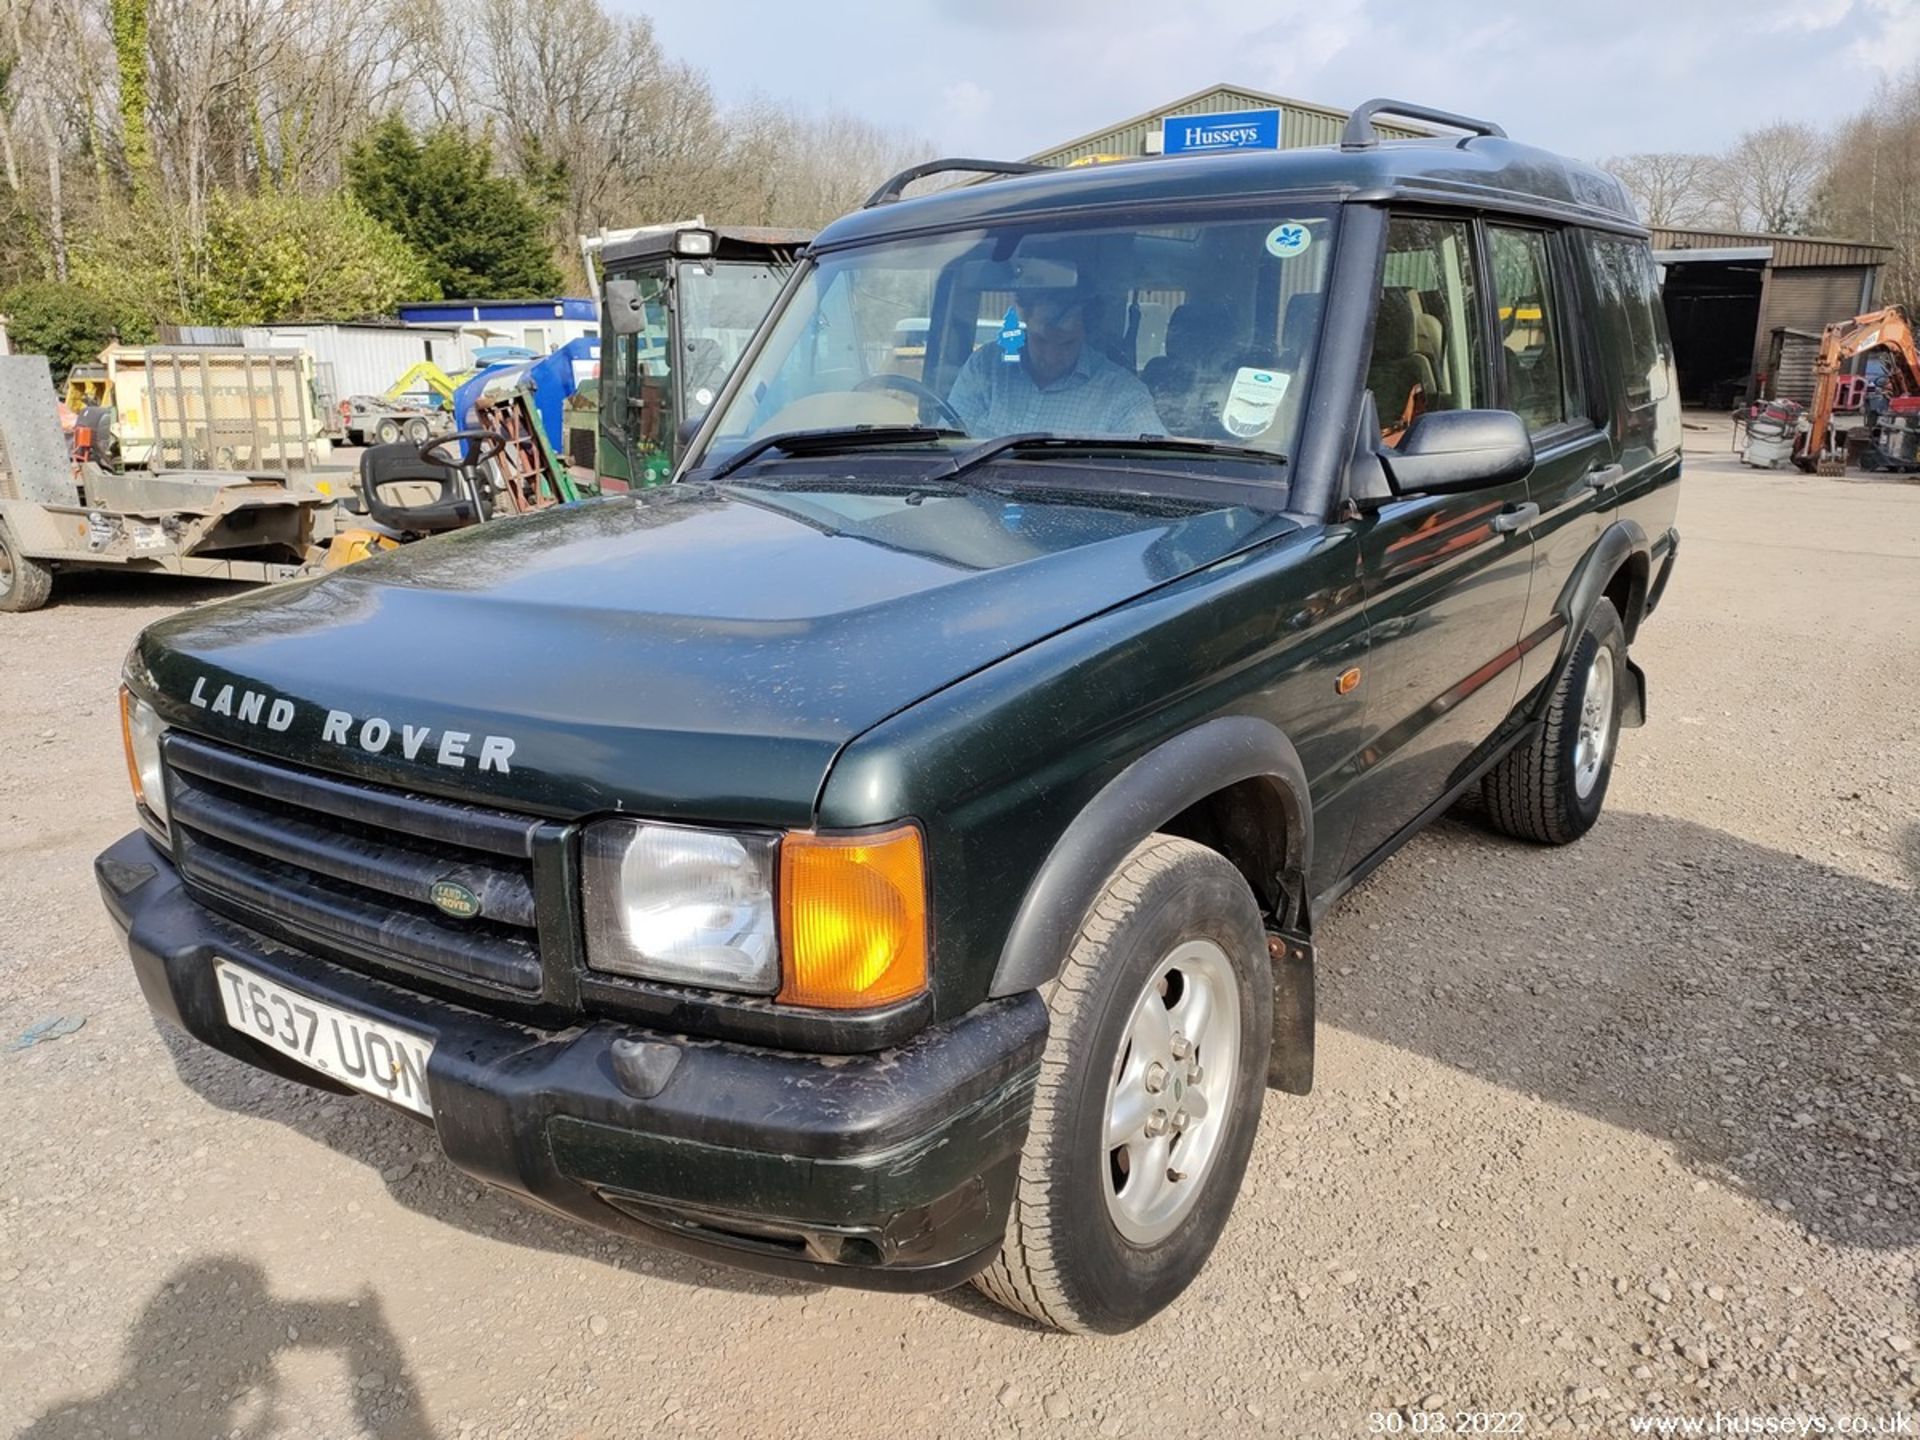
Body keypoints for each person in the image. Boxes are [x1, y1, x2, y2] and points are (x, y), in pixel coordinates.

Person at [946, 288, 1165, 439]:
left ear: (1086, 333)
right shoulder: (986, 367)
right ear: (1025, 320)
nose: (1051, 357)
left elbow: (1158, 466)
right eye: (1040, 339)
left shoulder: (1121, 394)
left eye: (1067, 343)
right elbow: (946, 444)